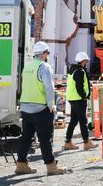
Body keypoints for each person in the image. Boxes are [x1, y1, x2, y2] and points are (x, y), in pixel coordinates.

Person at [15, 41, 67, 175]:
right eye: (47, 53)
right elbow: (49, 87)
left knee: (26, 137)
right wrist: (51, 104)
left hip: (25, 107)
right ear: (44, 53)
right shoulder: (44, 66)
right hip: (40, 108)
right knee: (45, 138)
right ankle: (51, 166)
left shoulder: (27, 67)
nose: (47, 55)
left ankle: (21, 165)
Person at [63, 52, 99, 151]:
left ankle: (68, 142)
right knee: (83, 121)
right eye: (86, 61)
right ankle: (87, 142)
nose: (86, 62)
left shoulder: (72, 70)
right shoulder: (80, 71)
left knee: (73, 121)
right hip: (79, 99)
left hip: (72, 98)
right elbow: (80, 87)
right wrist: (85, 95)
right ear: (83, 61)